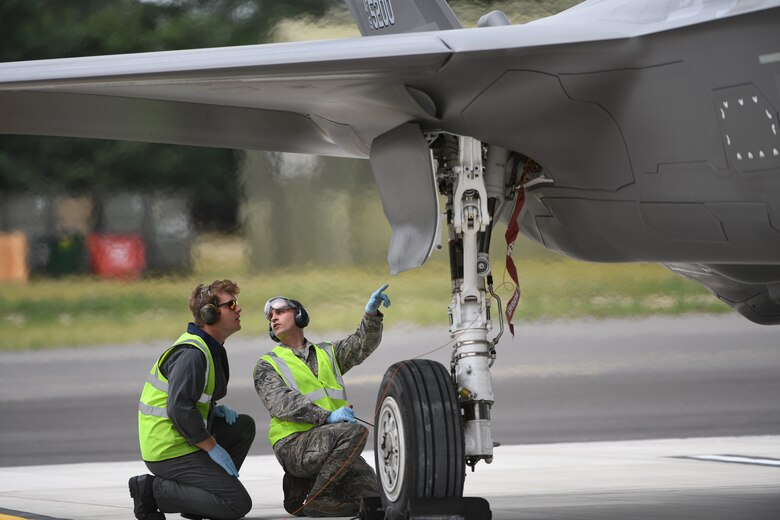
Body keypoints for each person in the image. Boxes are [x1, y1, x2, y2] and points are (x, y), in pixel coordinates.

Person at [253, 284, 391, 517]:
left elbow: (360, 344)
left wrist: (371, 315)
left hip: (331, 442)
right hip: (294, 444)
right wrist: (327, 416)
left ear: (299, 314)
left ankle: (302, 489)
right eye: (270, 317)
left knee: (374, 499)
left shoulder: (328, 353)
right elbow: (282, 403)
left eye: (280, 312)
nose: (273, 318)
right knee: (355, 433)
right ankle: (319, 498)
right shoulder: (268, 364)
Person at [129, 280, 256, 520]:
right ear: (210, 314)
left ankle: (197, 502)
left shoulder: (212, 348)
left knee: (242, 426)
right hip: (169, 450)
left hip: (183, 438)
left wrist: (212, 410)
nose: (238, 309)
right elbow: (179, 408)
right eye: (231, 305)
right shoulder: (192, 354)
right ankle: (150, 490)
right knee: (236, 504)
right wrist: (211, 446)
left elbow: (194, 397)